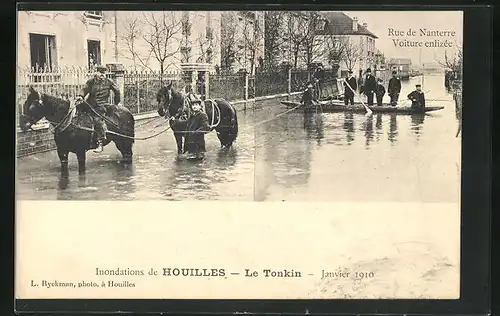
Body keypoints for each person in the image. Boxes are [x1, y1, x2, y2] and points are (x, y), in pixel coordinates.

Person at [76, 64, 121, 153]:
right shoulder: (91, 81)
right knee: (76, 112)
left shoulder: (109, 82)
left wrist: (116, 102)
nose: (102, 74)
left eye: (104, 73)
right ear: (96, 73)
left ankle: (100, 143)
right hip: (89, 104)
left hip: (101, 105)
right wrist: (80, 96)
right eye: (100, 72)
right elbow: (85, 89)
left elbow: (117, 91)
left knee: (97, 121)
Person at [175, 94, 211, 159]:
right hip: (190, 144)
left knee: (198, 163)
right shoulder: (192, 116)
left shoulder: (203, 115)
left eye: (196, 105)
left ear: (200, 106)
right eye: (193, 105)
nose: (194, 106)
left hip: (198, 144)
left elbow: (206, 127)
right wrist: (177, 121)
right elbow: (186, 122)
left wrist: (195, 132)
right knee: (189, 161)